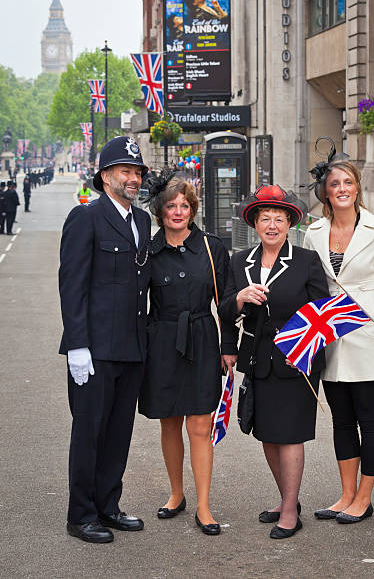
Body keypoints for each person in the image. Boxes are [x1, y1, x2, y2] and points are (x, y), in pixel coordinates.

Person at [303, 142, 374, 524]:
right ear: (326, 192)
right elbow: (309, 287)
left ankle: (364, 498)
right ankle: (345, 495)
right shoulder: (313, 233)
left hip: (369, 339)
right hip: (331, 342)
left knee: (369, 420)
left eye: (348, 182)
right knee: (341, 421)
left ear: (357, 187)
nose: (342, 188)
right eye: (335, 184)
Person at [218, 185, 329, 540]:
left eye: (278, 219)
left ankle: (290, 513)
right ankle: (287, 502)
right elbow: (222, 312)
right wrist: (239, 298)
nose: (271, 225)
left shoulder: (306, 261)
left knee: (290, 436)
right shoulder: (240, 262)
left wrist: (306, 353)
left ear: (289, 223)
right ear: (254, 223)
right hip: (257, 360)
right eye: (265, 218)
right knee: (267, 435)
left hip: (296, 361)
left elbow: (322, 316)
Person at [59, 136, 151, 544]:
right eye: (126, 172)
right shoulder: (87, 218)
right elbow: (72, 285)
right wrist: (77, 345)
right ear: (106, 176)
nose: (133, 179)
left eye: (137, 172)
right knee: (89, 432)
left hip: (131, 347)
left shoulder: (143, 221)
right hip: (94, 350)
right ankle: (81, 514)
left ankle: (108, 505)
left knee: (118, 433)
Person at [138, 174, 237, 536]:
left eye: (184, 206)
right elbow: (136, 304)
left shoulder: (212, 248)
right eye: (171, 206)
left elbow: (224, 302)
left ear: (192, 211)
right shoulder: (148, 251)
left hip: (202, 339)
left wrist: (229, 347)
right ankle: (176, 495)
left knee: (200, 425)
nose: (178, 212)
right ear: (160, 212)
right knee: (169, 422)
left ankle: (204, 506)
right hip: (162, 341)